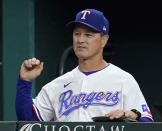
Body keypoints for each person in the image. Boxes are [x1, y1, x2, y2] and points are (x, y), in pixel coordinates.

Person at [16, 9, 153, 122]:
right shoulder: (56, 86)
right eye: (77, 34)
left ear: (104, 40)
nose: (81, 40)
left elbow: (147, 123)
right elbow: (28, 123)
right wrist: (25, 82)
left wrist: (132, 115)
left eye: (88, 35)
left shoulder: (123, 80)